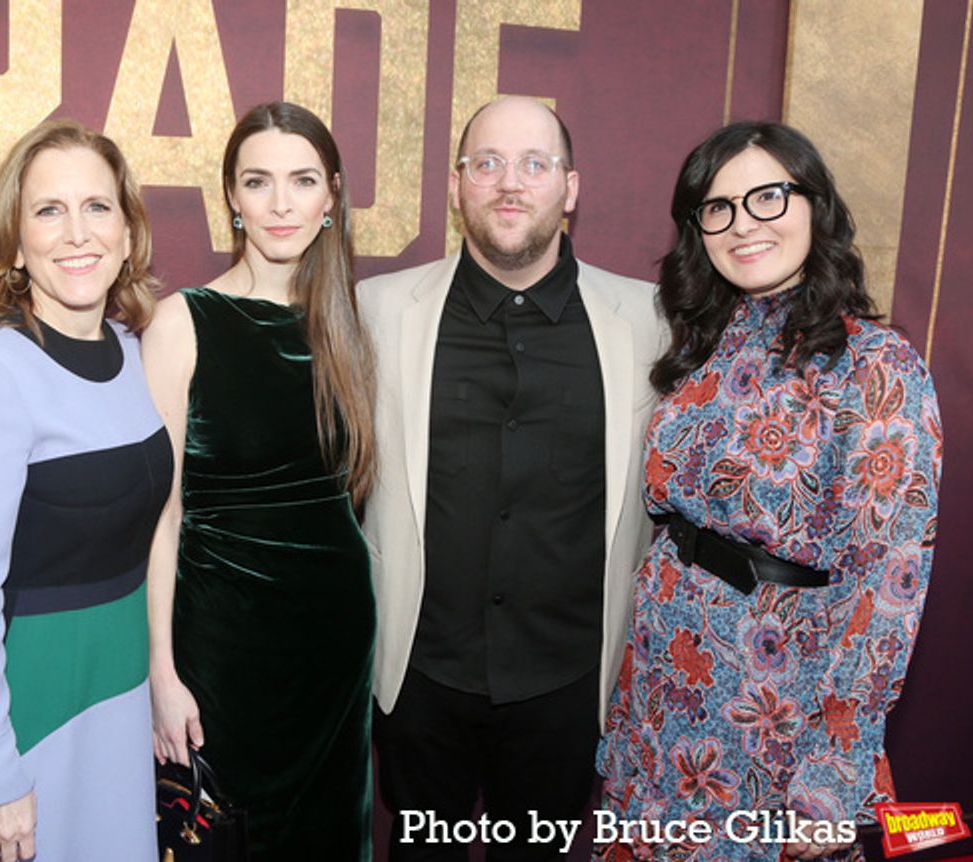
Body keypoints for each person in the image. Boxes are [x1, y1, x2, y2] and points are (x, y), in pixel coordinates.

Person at [595, 122, 942, 861]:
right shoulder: (703, 346)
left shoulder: (877, 367)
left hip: (774, 708)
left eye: (768, 196)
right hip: (664, 695)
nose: (743, 223)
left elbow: (889, 585)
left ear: (816, 205)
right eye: (717, 208)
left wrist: (833, 774)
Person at [357, 95, 665, 859]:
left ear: (571, 188)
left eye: (535, 163)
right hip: (420, 677)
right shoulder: (379, 310)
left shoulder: (652, 321)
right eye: (486, 163)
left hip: (568, 687)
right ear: (457, 186)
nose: (509, 183)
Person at [0, 119, 170, 862]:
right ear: (17, 242)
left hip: (116, 711)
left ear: (127, 234)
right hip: (25, 723)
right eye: (48, 210)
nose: (76, 233)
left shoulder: (131, 356)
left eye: (97, 207)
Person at [142, 101, 377, 861]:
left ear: (331, 197)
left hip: (334, 644)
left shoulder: (342, 322)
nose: (281, 204)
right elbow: (160, 515)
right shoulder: (183, 321)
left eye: (303, 180)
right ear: (232, 200)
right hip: (222, 643)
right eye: (259, 181)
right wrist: (161, 673)